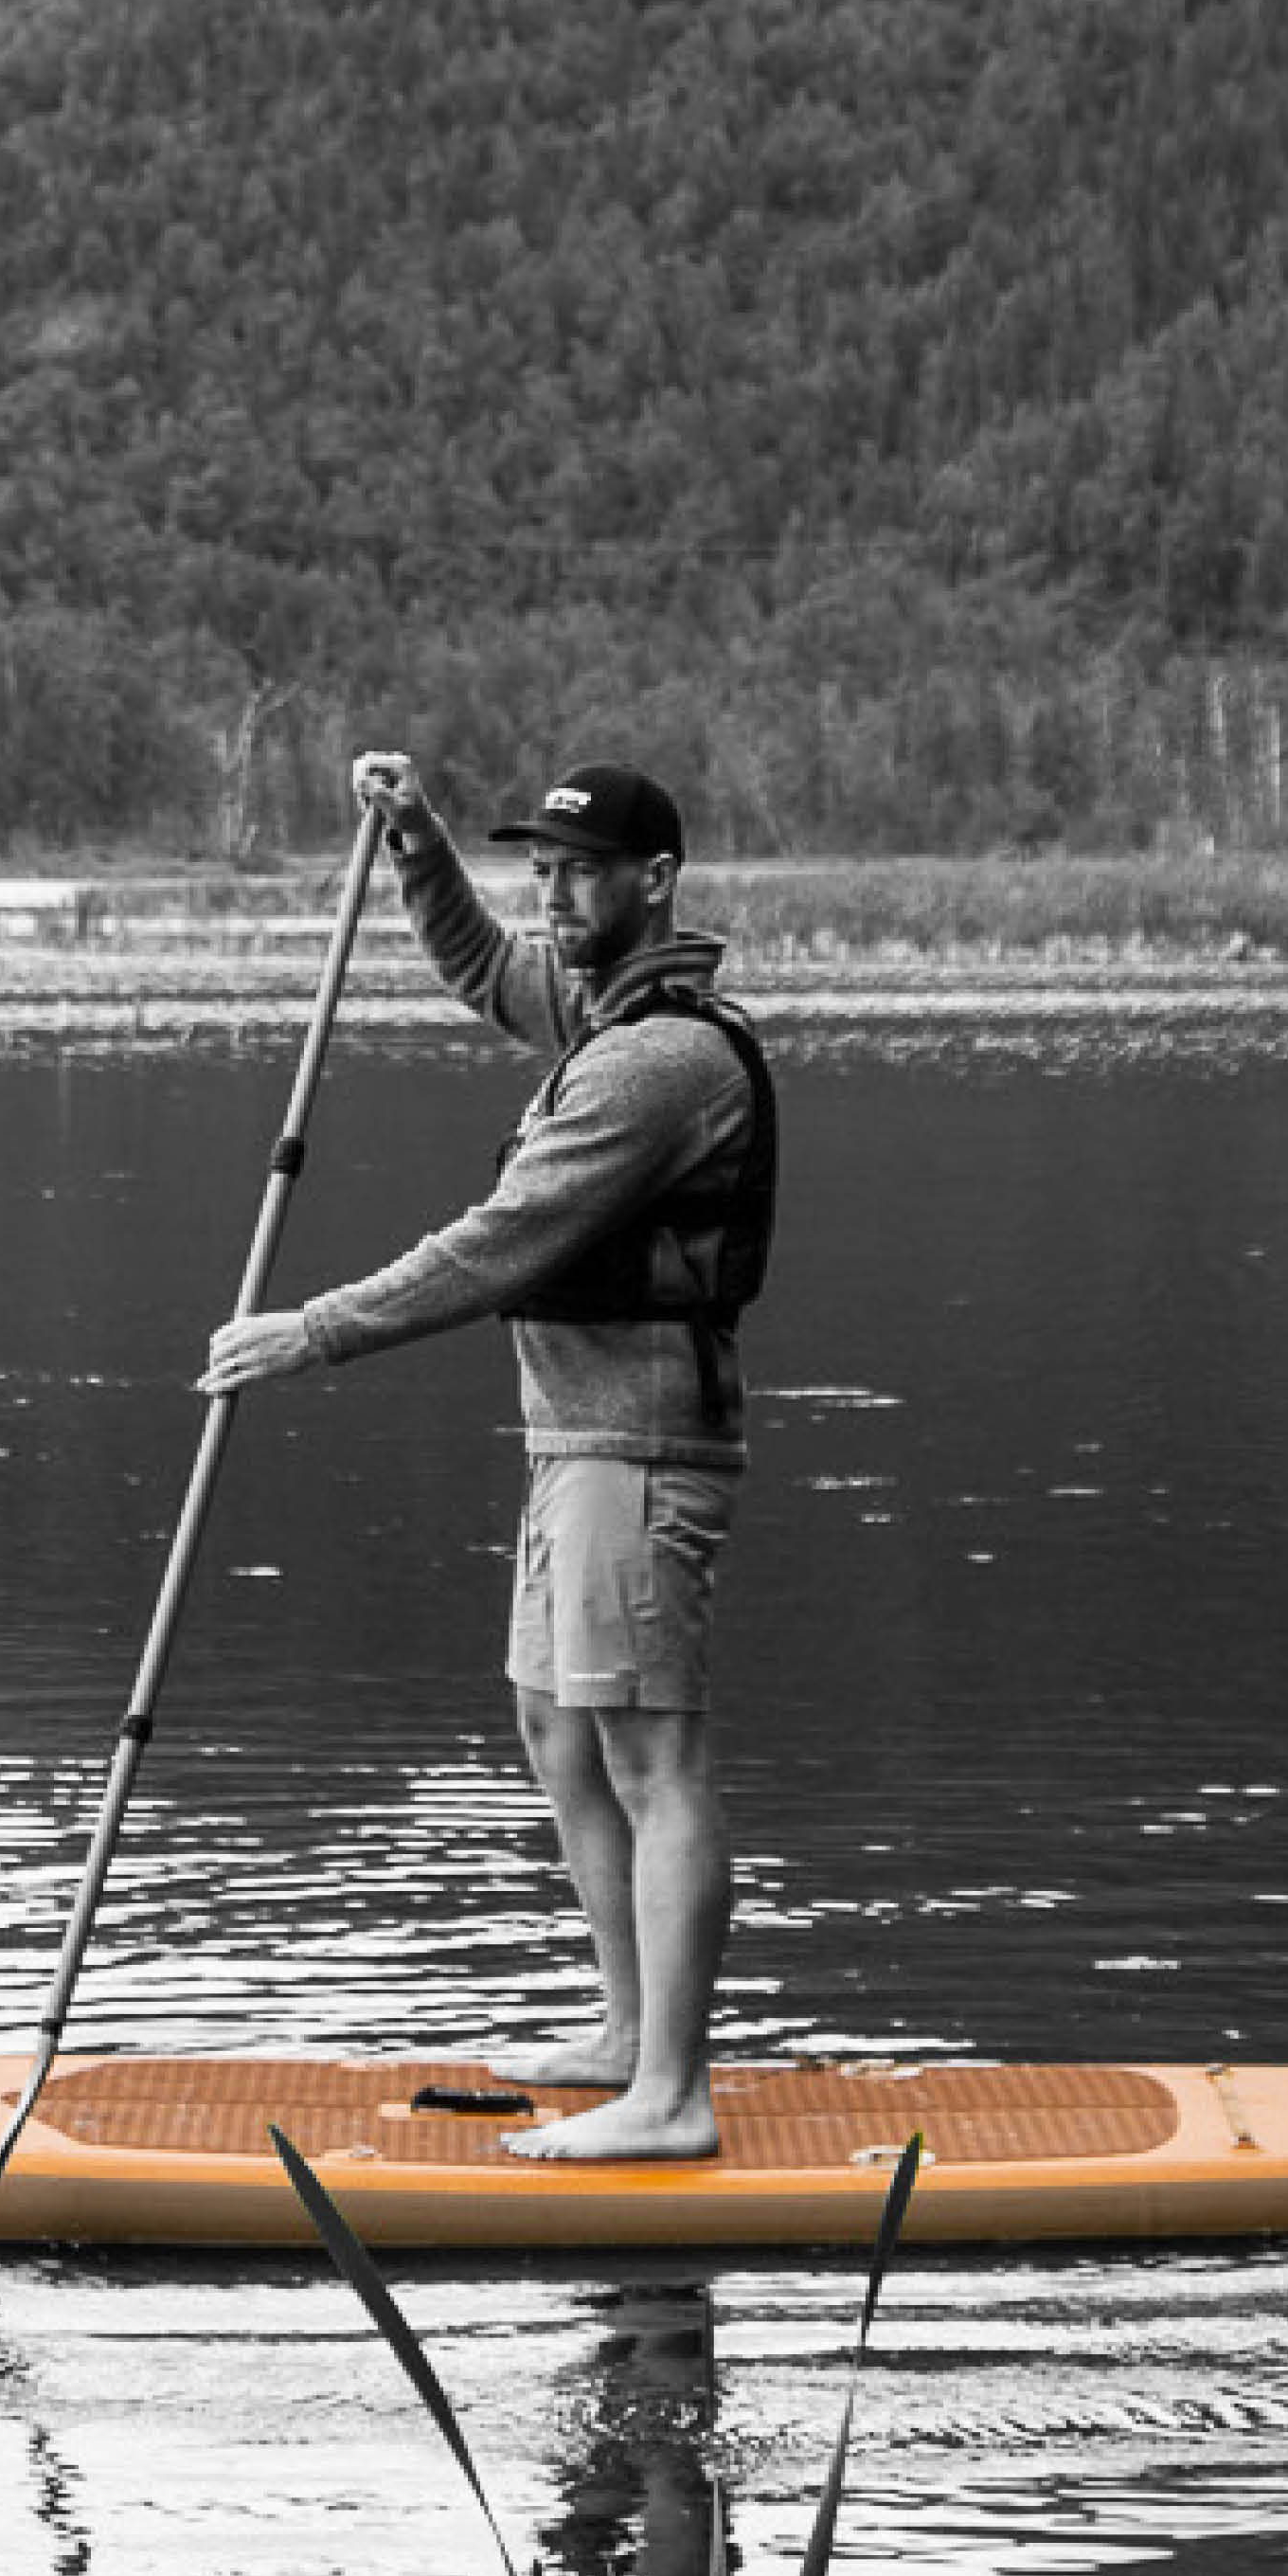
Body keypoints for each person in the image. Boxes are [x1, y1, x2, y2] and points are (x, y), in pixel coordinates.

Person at [201, 748, 775, 2161]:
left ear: (657, 881)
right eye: (546, 871)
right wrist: (418, 843)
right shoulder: (601, 1010)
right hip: (575, 1442)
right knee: (557, 1730)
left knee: (654, 1756)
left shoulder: (660, 1061)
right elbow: (483, 966)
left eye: (583, 873)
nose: (555, 896)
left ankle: (674, 2098)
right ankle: (628, 2037)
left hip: (639, 1448)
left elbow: (502, 1243)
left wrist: (314, 1332)